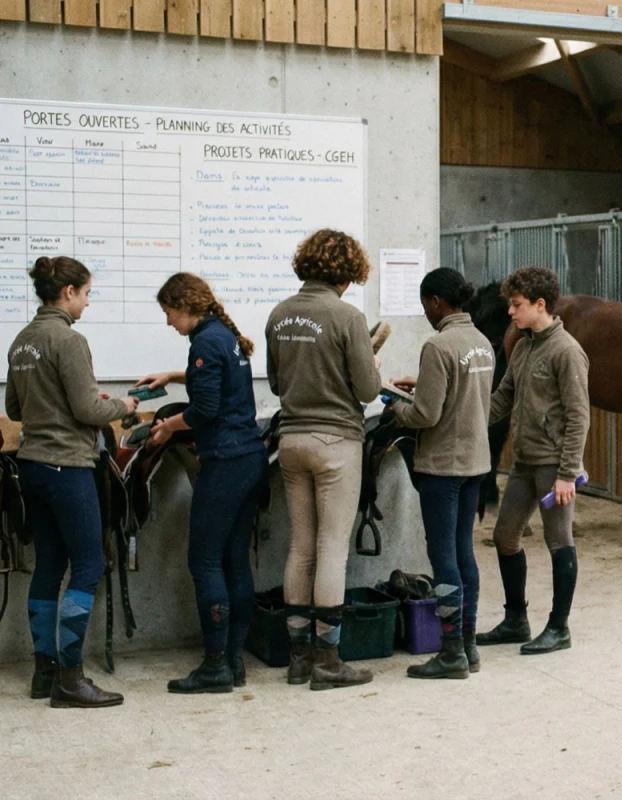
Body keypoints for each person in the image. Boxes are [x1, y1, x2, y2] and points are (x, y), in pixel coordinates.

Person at [6, 256, 138, 708]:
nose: (86, 302)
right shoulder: (69, 340)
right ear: (68, 293)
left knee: (48, 564)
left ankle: (44, 672)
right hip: (68, 466)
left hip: (32, 466)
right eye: (85, 293)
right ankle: (71, 678)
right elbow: (87, 410)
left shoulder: (21, 342)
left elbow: (18, 409)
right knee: (88, 565)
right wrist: (124, 405)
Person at [136, 273, 269, 694]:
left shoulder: (205, 342)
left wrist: (166, 427)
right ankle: (232, 661)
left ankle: (214, 668)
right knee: (234, 561)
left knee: (205, 562)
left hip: (225, 463)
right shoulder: (222, 335)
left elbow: (205, 410)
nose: (169, 322)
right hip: (249, 458)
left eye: (169, 312)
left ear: (186, 304)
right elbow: (218, 380)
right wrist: (172, 377)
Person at [265, 228, 382, 691]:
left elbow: (275, 384)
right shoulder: (348, 317)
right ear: (348, 274)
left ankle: (297, 658)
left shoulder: (279, 314)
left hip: (291, 440)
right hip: (336, 443)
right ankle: (329, 662)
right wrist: (370, 367)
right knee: (333, 549)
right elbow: (368, 392)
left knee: (301, 547)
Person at [475, 267, 590, 657]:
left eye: (517, 304)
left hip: (552, 465)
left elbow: (579, 416)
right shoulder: (522, 347)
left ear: (540, 305)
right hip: (524, 461)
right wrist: (465, 419)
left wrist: (567, 474)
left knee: (559, 540)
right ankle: (515, 619)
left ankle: (559, 628)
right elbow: (503, 398)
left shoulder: (567, 352)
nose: (511, 311)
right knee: (505, 536)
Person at [387, 268, 495, 679]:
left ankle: (449, 653)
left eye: (425, 307)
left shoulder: (438, 345)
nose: (426, 315)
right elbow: (465, 394)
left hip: (442, 466)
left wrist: (395, 406)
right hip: (475, 463)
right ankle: (467, 647)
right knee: (465, 553)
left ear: (436, 302)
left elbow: (426, 414)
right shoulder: (481, 343)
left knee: (442, 558)